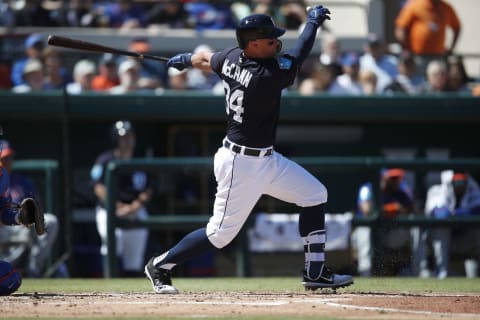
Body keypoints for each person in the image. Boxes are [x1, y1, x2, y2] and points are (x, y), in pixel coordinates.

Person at [144, 7, 353, 294]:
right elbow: (300, 53)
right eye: (270, 40)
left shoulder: (232, 55)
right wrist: (312, 23)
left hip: (265, 159)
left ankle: (315, 272)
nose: (277, 43)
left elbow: (207, 59)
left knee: (315, 195)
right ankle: (160, 265)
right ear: (253, 44)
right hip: (240, 164)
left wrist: (187, 60)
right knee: (219, 235)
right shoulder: (265, 76)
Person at [90, 120, 152, 277]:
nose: (127, 141)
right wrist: (117, 206)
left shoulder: (140, 160)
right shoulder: (104, 160)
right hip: (109, 210)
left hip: (135, 211)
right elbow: (98, 187)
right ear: (115, 139)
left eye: (130, 137)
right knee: (114, 242)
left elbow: (148, 190)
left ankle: (131, 292)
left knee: (134, 257)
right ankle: (109, 282)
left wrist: (133, 208)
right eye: (123, 137)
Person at [0, 140, 60, 277]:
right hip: (3, 228)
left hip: (19, 224)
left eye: (9, 158)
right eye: (4, 158)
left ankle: (32, 271)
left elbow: (37, 209)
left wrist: (25, 217)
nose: (7, 162)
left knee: (51, 221)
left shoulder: (22, 181)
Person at [351, 168, 419, 276]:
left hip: (390, 232)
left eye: (397, 178)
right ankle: (365, 272)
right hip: (366, 233)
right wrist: (389, 209)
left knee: (415, 226)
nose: (395, 181)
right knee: (365, 229)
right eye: (392, 178)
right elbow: (366, 210)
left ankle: (418, 270)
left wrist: (398, 209)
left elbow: (413, 210)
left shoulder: (402, 189)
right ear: (383, 179)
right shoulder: (367, 189)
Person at [0, 128, 46, 287]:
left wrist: (20, 217)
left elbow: (3, 212)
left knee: (9, 278)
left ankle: (33, 270)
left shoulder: (2, 176)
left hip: (10, 231)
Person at [421, 170, 480, 278]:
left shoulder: (472, 191)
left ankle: (476, 274)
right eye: (456, 183)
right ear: (450, 183)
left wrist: (456, 213)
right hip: (437, 243)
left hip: (465, 240)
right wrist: (464, 212)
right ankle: (442, 272)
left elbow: (478, 209)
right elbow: (441, 215)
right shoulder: (437, 191)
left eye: (462, 183)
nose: (459, 186)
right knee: (442, 228)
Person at [395, 0, 461, 76]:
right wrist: (406, 49)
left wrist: (451, 48)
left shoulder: (446, 7)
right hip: (417, 57)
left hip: (438, 57)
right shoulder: (415, 5)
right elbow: (401, 28)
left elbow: (457, 27)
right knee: (419, 83)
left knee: (437, 82)